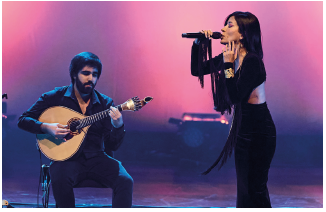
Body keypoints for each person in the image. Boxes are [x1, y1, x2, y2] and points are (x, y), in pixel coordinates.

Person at [17, 52, 133, 208]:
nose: (91, 78)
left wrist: (118, 126)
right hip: (65, 159)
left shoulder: (106, 103)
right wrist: (46, 128)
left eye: (95, 74)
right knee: (59, 177)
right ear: (73, 74)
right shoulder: (54, 97)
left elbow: (112, 146)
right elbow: (23, 120)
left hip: (97, 157)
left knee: (125, 181)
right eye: (86, 73)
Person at [190, 11, 276, 208]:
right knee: (244, 190)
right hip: (242, 129)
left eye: (229, 25)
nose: (222, 29)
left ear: (243, 33)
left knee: (256, 188)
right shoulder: (229, 56)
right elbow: (197, 70)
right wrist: (198, 45)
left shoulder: (253, 61)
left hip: (260, 131)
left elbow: (236, 96)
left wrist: (228, 65)